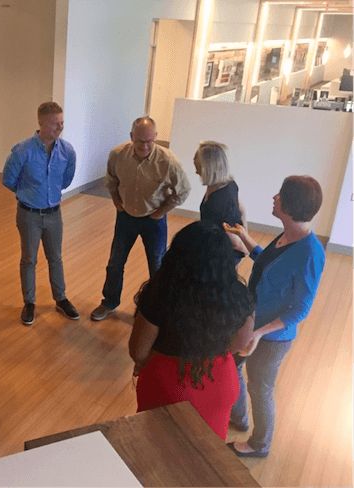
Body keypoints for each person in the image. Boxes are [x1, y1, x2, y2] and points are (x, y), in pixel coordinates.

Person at [225, 175, 325, 457]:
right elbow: (265, 261)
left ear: (292, 205)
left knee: (260, 387)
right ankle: (239, 418)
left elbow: (301, 308)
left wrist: (259, 333)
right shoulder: (286, 236)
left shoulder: (310, 253)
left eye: (279, 195)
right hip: (251, 323)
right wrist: (243, 236)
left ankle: (260, 444)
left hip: (273, 337)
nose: (274, 198)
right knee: (231, 367)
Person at [129, 220, 254, 440]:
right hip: (219, 381)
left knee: (158, 452)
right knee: (207, 455)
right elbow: (240, 343)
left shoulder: (161, 293)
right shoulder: (238, 296)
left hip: (168, 385)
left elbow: (139, 351)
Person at [91, 116, 191, 322]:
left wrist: (161, 212)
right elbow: (111, 180)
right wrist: (117, 202)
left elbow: (183, 191)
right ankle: (109, 301)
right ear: (131, 137)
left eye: (149, 141)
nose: (144, 146)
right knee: (115, 262)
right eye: (139, 141)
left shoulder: (168, 161)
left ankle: (155, 310)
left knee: (157, 265)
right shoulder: (118, 155)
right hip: (126, 216)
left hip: (153, 220)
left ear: (155, 137)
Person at [2, 101, 78, 326]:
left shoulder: (67, 151)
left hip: (54, 213)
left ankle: (61, 298)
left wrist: (47, 193)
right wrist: (29, 194)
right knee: (29, 258)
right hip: (29, 215)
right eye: (55, 124)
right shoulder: (22, 150)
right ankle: (30, 302)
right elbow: (8, 179)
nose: (59, 128)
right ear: (41, 123)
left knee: (56, 257)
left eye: (62, 123)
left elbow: (66, 179)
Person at [193, 141, 248, 263]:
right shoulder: (227, 184)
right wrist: (245, 233)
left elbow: (235, 242)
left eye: (198, 168)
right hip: (215, 244)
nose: (196, 172)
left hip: (224, 254)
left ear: (210, 169)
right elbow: (242, 210)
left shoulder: (218, 204)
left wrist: (246, 248)